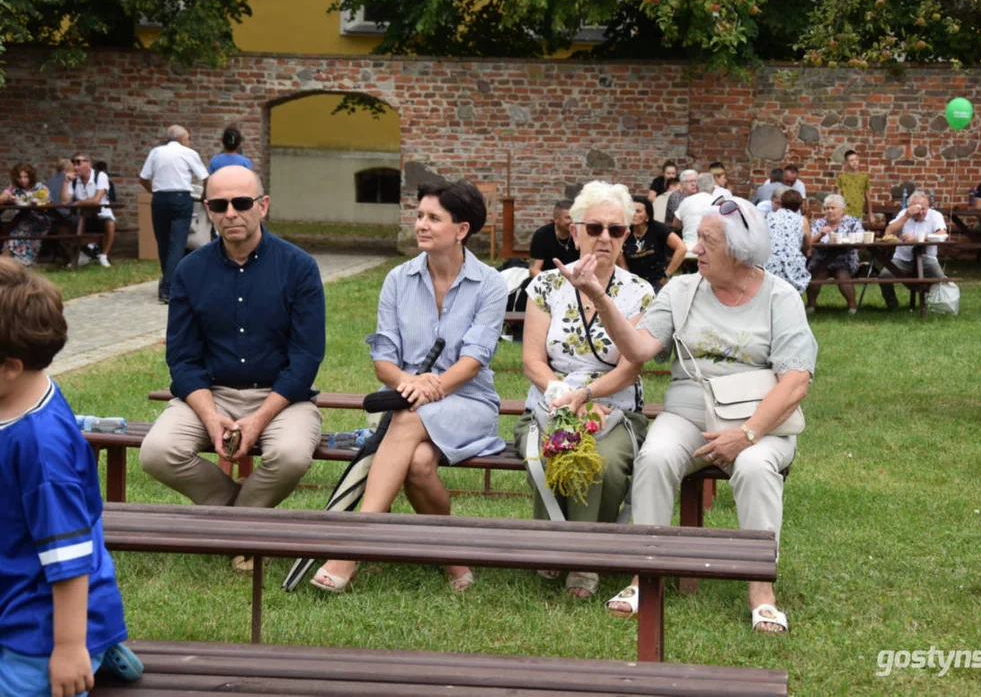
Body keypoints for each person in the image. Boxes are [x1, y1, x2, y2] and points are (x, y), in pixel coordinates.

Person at [555, 196, 816, 633]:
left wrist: (746, 435)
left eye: (708, 241)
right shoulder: (682, 290)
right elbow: (637, 349)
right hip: (689, 411)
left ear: (739, 248)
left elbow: (795, 383)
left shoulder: (780, 297)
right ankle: (646, 576)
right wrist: (599, 296)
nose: (696, 249)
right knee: (655, 457)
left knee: (753, 468)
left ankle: (760, 588)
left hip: (760, 418)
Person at [312, 180, 507, 594]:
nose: (421, 224)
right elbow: (383, 357)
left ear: (461, 229)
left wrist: (429, 388)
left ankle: (353, 547)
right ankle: (455, 561)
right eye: (419, 215)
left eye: (433, 218)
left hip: (469, 402)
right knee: (418, 463)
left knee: (407, 417)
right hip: (410, 400)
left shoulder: (491, 284)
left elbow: (475, 359)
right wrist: (410, 383)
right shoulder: (398, 280)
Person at [139, 166, 325, 574]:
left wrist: (258, 420)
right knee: (155, 453)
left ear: (263, 206)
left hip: (281, 396)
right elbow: (183, 359)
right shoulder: (190, 271)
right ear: (207, 209)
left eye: (241, 203)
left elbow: (306, 358)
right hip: (212, 393)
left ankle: (233, 525)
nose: (231, 213)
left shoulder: (299, 267)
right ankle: (241, 516)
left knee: (291, 456)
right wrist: (209, 415)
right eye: (219, 205)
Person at [0, 257, 141, 696]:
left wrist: (68, 646)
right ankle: (103, 633)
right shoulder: (25, 389)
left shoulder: (42, 450)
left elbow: (68, 559)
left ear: (9, 366)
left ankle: (87, 649)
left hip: (37, 626)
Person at [515, 181, 653, 599]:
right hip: (550, 401)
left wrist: (588, 398)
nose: (605, 237)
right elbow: (531, 362)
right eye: (594, 227)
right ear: (574, 232)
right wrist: (563, 399)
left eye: (617, 230)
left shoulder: (640, 293)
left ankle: (584, 557)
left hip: (615, 407)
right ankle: (558, 546)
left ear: (627, 236)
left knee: (602, 460)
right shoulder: (544, 287)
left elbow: (631, 369)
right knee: (556, 446)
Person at [138, 124, 209, 304]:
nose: (189, 141)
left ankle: (167, 280)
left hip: (160, 198)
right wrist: (203, 196)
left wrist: (154, 191)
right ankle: (169, 288)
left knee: (162, 241)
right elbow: (205, 177)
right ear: (181, 139)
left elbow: (143, 178)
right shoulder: (188, 153)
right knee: (177, 243)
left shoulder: (156, 152)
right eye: (188, 138)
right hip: (180, 198)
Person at [878, 191, 948, 310]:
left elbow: (942, 234)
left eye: (923, 209)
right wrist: (906, 216)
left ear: (928, 206)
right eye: (917, 209)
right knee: (884, 276)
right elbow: (888, 231)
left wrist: (918, 238)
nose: (920, 212)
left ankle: (940, 306)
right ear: (910, 207)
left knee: (941, 279)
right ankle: (892, 305)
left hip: (927, 259)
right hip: (902, 259)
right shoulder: (904, 214)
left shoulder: (935, 215)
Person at [806, 193, 864, 313]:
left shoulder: (852, 222)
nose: (829, 211)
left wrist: (847, 239)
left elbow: (861, 237)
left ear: (842, 210)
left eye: (833, 208)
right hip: (821, 259)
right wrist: (820, 234)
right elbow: (809, 242)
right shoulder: (819, 223)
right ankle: (811, 306)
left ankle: (852, 307)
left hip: (845, 259)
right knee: (815, 276)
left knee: (842, 276)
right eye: (827, 208)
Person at [619, 196, 687, 291]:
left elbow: (681, 248)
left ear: (648, 215)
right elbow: (622, 264)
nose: (634, 214)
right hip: (634, 283)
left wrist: (667, 275)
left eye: (638, 211)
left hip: (657, 281)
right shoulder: (624, 232)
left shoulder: (658, 229)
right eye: (631, 211)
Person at [61, 153, 115, 268]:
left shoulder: (100, 176)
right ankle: (83, 254)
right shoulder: (74, 180)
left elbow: (96, 200)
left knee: (109, 224)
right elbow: (65, 201)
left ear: (88, 164)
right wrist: (66, 182)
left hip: (101, 213)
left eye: (79, 162)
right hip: (82, 215)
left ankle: (103, 255)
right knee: (62, 229)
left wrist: (79, 202)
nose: (75, 166)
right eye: (74, 162)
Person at [0, 163, 53, 266]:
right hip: (21, 218)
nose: (22, 180)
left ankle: (22, 261)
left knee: (16, 232)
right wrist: (8, 198)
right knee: (12, 231)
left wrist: (37, 203)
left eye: (25, 177)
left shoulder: (40, 188)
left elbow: (48, 203)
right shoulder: (14, 188)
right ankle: (11, 263)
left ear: (31, 177)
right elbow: (1, 198)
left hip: (39, 219)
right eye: (20, 177)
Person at [764, 187, 811, 294]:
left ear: (782, 203)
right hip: (792, 268)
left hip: (768, 265)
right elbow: (807, 245)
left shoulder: (769, 216)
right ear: (799, 206)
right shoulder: (802, 220)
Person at [529, 200, 578, 277]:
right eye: (568, 217)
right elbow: (534, 270)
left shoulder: (580, 233)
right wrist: (553, 283)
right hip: (548, 279)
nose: (572, 221)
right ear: (556, 219)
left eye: (574, 217)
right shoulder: (542, 235)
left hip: (574, 280)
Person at [673, 171, 716, 251]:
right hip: (708, 250)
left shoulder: (685, 201)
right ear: (713, 188)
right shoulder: (716, 203)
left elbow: (675, 224)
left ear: (697, 187)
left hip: (688, 248)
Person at [835, 149, 873, 223]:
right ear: (846, 163)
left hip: (858, 214)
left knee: (857, 234)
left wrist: (870, 214)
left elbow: (868, 198)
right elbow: (838, 198)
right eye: (851, 160)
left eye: (856, 159)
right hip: (844, 214)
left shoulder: (864, 177)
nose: (855, 162)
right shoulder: (841, 178)